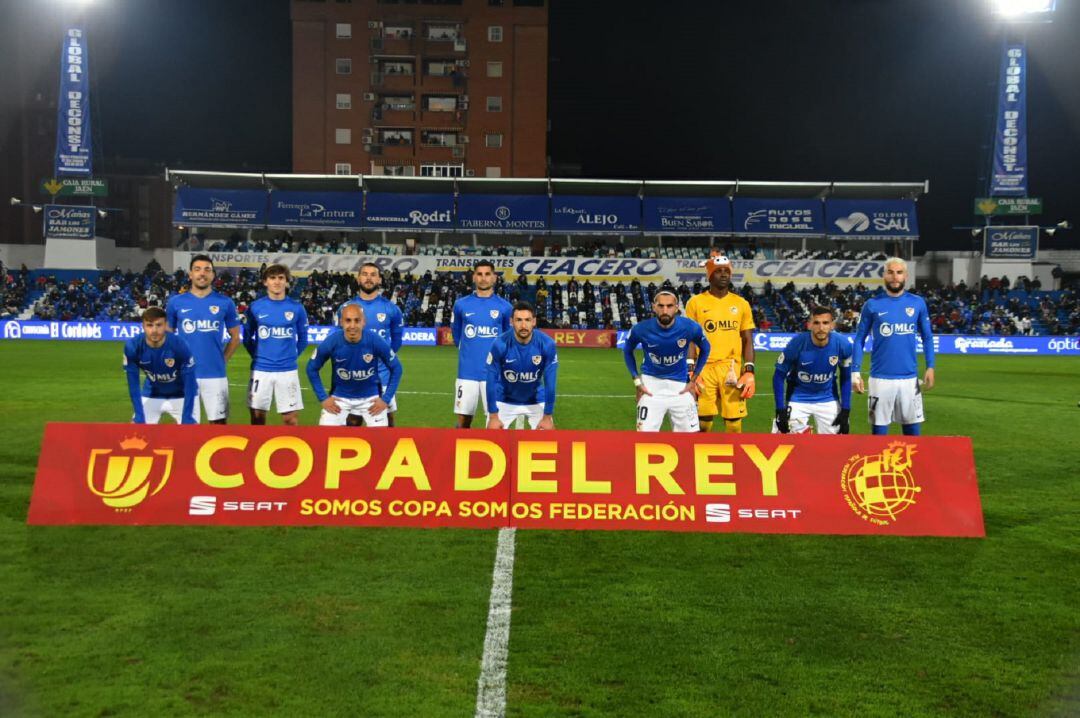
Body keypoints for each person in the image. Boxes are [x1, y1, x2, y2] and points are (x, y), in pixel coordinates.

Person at [851, 257, 935, 435]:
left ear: (905, 275)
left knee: (913, 434)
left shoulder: (917, 303)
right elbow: (859, 340)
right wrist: (855, 372)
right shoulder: (872, 305)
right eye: (890, 272)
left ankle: (914, 465)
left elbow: (927, 337)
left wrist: (930, 366)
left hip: (910, 379)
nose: (894, 276)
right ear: (884, 275)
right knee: (879, 434)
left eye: (899, 272)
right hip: (879, 380)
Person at [684, 253, 756, 433]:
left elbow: (747, 339)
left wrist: (749, 371)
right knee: (703, 422)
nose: (724, 274)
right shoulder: (695, 302)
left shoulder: (741, 304)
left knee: (734, 422)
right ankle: (701, 457)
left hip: (730, 368)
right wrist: (691, 369)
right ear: (709, 275)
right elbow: (690, 340)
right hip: (703, 369)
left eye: (726, 271)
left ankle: (735, 459)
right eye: (718, 271)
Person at [165, 254, 241, 424]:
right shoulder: (176, 302)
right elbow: (168, 337)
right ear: (190, 274)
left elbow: (235, 337)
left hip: (216, 375)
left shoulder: (225, 303)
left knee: (219, 425)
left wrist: (223, 359)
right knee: (188, 426)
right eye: (197, 269)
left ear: (213, 275)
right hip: (185, 375)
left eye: (207, 269)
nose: (202, 273)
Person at [622, 290, 710, 432]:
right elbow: (627, 351)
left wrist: (693, 380)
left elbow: (706, 348)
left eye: (669, 306)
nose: (665, 310)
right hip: (650, 386)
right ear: (653, 307)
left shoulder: (690, 327)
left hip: (681, 386)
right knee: (645, 437)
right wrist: (637, 381)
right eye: (661, 305)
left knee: (690, 438)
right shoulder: (641, 329)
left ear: (676, 307)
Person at [305, 304, 402, 427]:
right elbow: (311, 368)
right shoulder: (332, 341)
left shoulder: (374, 340)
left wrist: (385, 399)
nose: (352, 326)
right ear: (341, 322)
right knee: (324, 438)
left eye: (357, 320)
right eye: (348, 320)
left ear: (364, 322)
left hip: (371, 400)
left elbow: (397, 368)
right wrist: (323, 398)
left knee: (380, 441)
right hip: (339, 400)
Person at [336, 263, 404, 426]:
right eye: (365, 274)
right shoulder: (345, 308)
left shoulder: (391, 309)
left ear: (379, 279)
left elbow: (396, 342)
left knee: (387, 420)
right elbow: (339, 340)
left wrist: (382, 360)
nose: (368, 278)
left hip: (382, 377)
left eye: (373, 274)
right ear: (358, 278)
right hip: (353, 376)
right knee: (353, 421)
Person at [243, 264, 308, 426]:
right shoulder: (255, 307)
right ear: (265, 282)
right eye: (272, 278)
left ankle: (292, 449)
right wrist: (257, 357)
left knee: (290, 419)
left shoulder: (297, 308)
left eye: (281, 278)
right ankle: (258, 448)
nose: (277, 282)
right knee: (257, 416)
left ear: (287, 282)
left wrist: (292, 356)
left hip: (287, 370)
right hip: (261, 371)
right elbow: (247, 337)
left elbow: (304, 339)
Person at [772, 306, 853, 435]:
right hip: (798, 398)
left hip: (828, 399)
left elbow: (846, 378)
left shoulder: (843, 345)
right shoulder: (797, 344)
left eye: (825, 323)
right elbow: (778, 376)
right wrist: (780, 409)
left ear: (832, 325)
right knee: (781, 439)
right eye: (816, 323)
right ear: (809, 325)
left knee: (838, 445)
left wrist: (845, 410)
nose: (821, 327)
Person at [451, 260, 512, 427]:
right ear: (474, 277)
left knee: (495, 422)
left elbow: (508, 338)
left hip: (494, 374)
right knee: (463, 420)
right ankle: (460, 451)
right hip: (467, 373)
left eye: (487, 274)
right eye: (479, 274)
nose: (483, 278)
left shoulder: (505, 307)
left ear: (494, 278)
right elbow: (457, 335)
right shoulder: (461, 304)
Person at [485, 301, 558, 430]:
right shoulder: (499, 344)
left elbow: (550, 384)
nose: (523, 325)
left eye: (527, 320)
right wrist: (493, 416)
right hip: (504, 398)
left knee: (548, 440)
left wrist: (547, 416)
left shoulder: (547, 344)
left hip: (535, 399)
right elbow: (490, 380)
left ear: (534, 321)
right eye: (519, 320)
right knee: (492, 435)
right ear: (511, 321)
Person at [123, 306, 197, 424]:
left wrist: (187, 415)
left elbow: (190, 383)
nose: (154, 330)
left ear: (165, 325)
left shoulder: (179, 345)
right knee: (135, 432)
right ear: (143, 326)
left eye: (159, 325)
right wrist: (138, 414)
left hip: (181, 395)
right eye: (149, 325)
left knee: (191, 437)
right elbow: (133, 385)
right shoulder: (133, 347)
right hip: (152, 394)